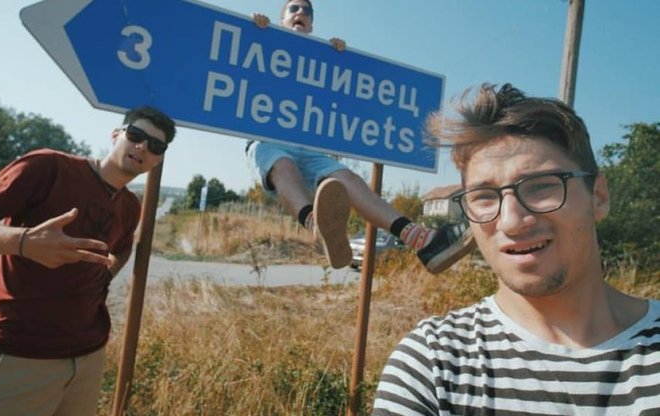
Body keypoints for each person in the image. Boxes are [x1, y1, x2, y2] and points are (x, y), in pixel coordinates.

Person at [372, 84, 660, 415]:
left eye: (540, 187)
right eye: (483, 197)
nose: (511, 222)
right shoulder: (434, 364)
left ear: (598, 197)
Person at [0, 106, 176, 415]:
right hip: (17, 353)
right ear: (117, 135)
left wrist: (103, 277)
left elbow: (123, 248)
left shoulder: (129, 206)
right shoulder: (49, 167)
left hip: (87, 355)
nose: (142, 147)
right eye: (136, 135)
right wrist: (24, 242)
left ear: (158, 160)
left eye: (155, 146)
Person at [248, 0, 475, 272]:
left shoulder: (325, 58)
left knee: (349, 180)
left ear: (311, 25)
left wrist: (339, 59)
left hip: (311, 147)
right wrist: (256, 30)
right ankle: (318, 226)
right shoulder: (263, 39)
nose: (300, 13)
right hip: (270, 140)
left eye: (306, 11)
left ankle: (421, 239)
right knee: (282, 166)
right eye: (293, 9)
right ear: (282, 19)